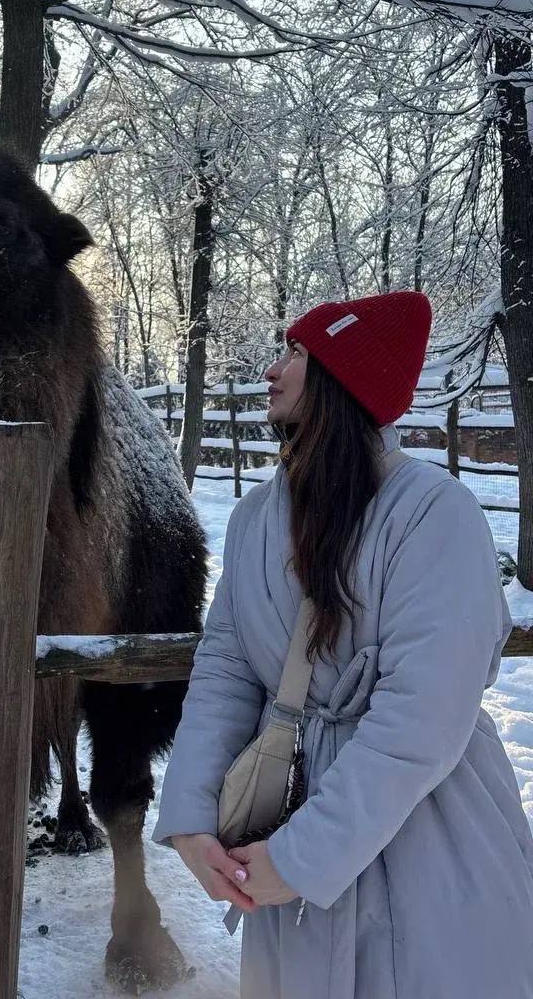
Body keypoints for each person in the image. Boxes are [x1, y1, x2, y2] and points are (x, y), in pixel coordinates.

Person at [152, 291, 533, 999]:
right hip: (285, 852)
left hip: (431, 843)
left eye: (296, 352)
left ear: (342, 375)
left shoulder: (433, 514)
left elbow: (423, 716)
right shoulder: (254, 519)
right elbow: (227, 672)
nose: (272, 368)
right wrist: (194, 818)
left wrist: (303, 856)